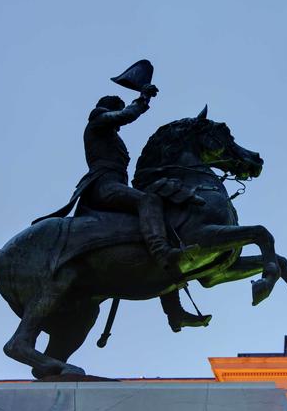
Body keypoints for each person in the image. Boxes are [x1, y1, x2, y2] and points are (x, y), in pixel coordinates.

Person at [33, 84, 209, 331]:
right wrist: (143, 99)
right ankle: (160, 250)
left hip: (115, 184)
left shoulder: (110, 134)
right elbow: (125, 116)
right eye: (117, 109)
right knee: (149, 201)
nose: (117, 120)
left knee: (164, 225)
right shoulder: (98, 120)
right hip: (103, 185)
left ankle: (174, 311)